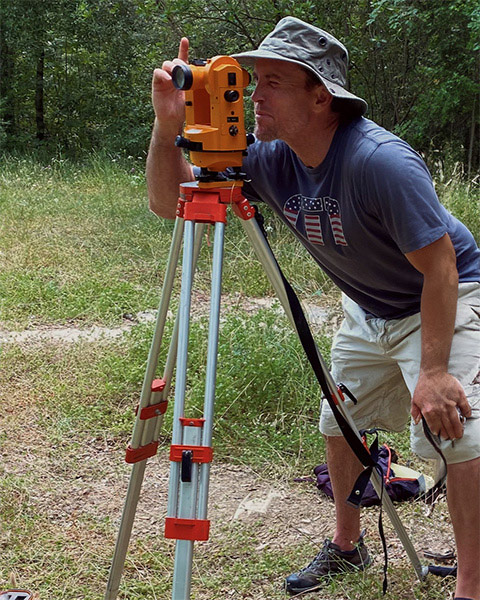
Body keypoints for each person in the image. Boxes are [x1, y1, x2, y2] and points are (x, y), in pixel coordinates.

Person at [146, 16, 480, 600]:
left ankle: (472, 584)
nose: (253, 95)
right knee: (340, 420)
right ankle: (347, 546)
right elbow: (167, 202)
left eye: (271, 82)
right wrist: (165, 124)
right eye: (253, 82)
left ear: (320, 97)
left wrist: (431, 371)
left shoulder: (380, 162)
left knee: (457, 430)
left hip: (442, 296)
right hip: (369, 306)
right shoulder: (271, 158)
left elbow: (443, 266)